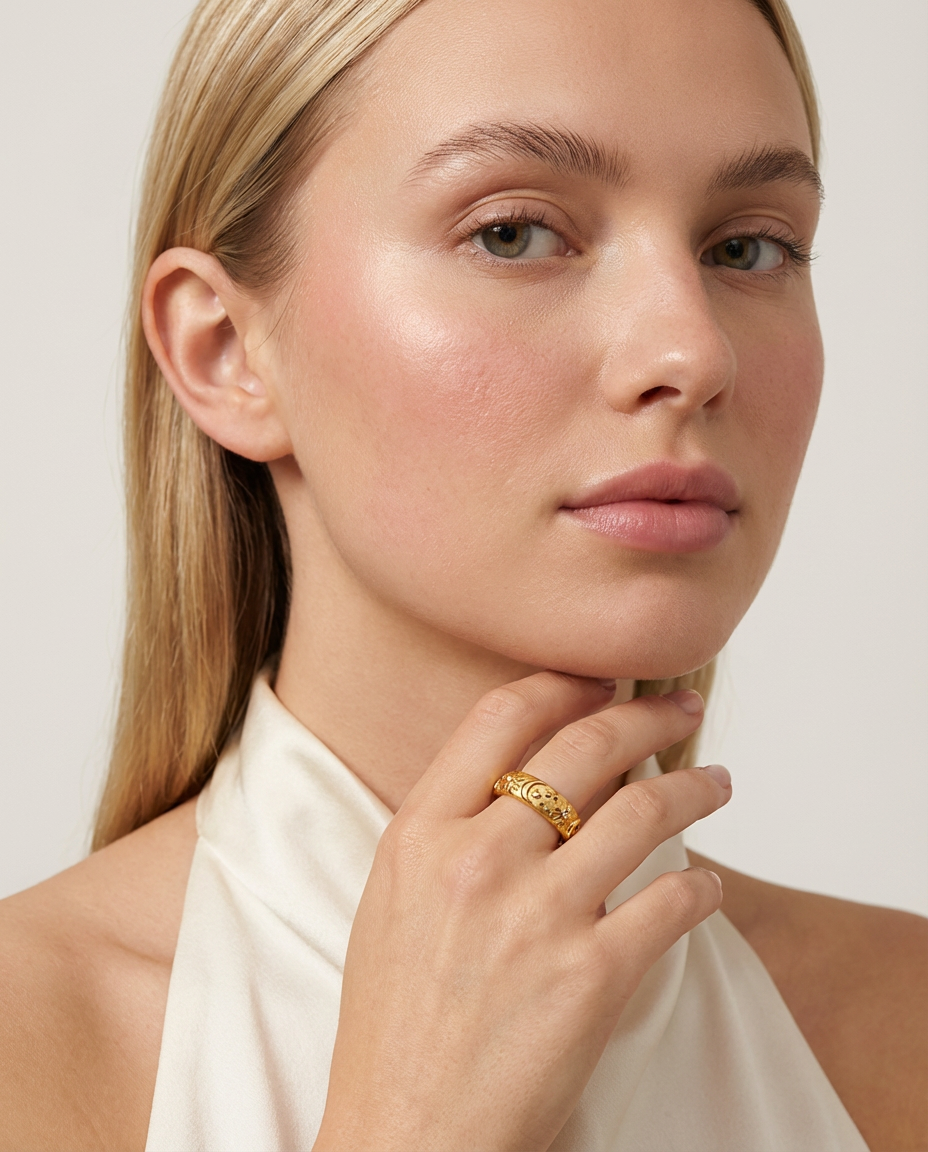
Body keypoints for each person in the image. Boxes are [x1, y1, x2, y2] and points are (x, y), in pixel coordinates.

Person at [0, 0, 925, 1147]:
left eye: (747, 247)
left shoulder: (905, 1023)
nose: (691, 351)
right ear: (226, 351)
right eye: (514, 233)